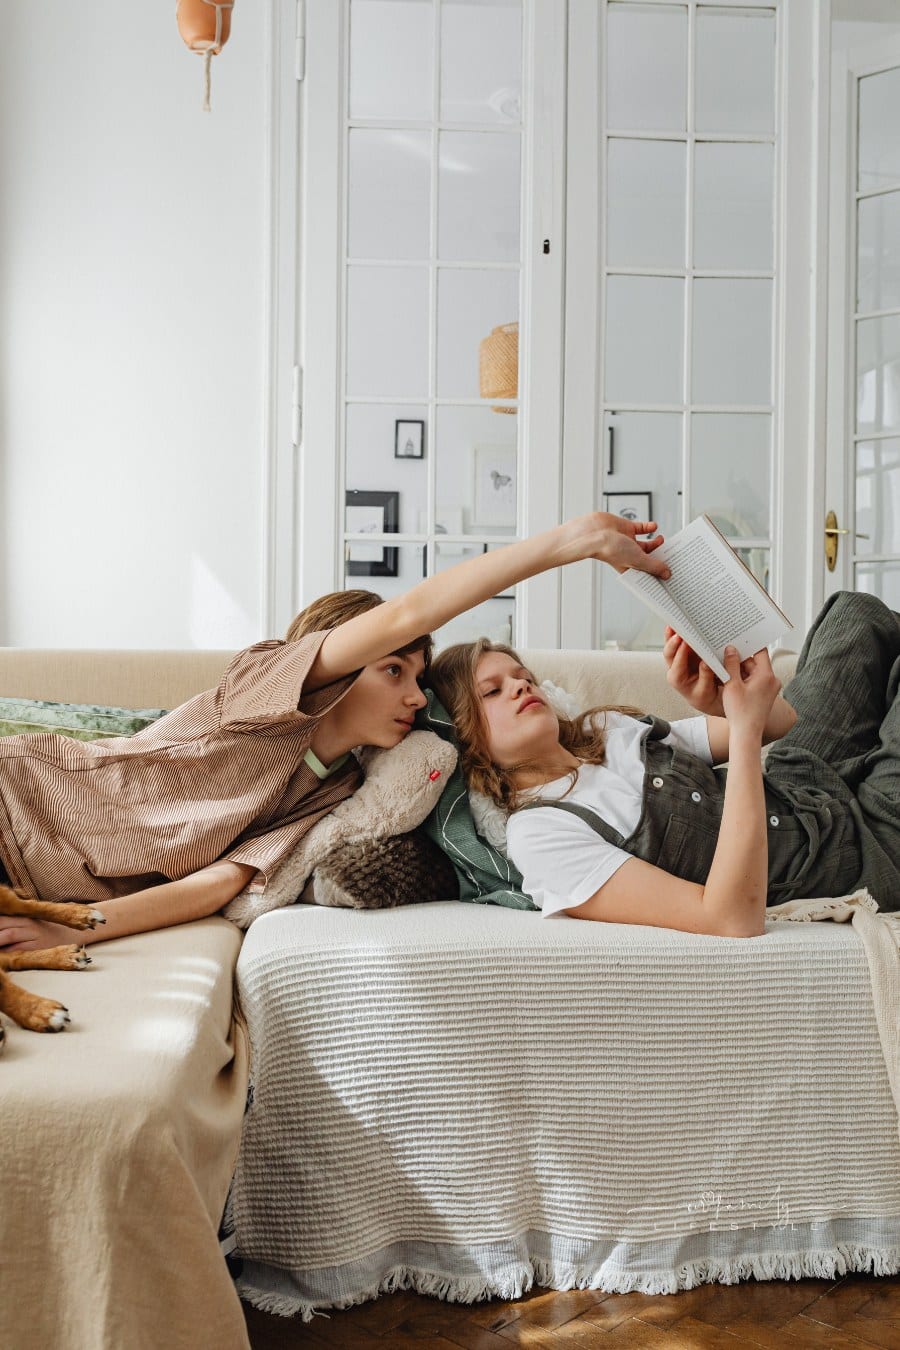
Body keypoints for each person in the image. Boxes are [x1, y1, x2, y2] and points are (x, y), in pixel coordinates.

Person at [0, 512, 670, 953]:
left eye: (420, 676)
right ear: (341, 665)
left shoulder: (339, 792)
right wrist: (569, 543)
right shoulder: (264, 691)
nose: (414, 694)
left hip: (41, 887)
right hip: (16, 807)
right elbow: (409, 608)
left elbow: (216, 884)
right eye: (394, 670)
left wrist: (72, 933)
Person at [427, 590, 900, 938]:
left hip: (801, 779)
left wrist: (720, 700)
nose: (520, 687)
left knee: (854, 613)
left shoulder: (607, 731)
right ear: (465, 736)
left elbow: (782, 722)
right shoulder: (541, 834)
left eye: (523, 676)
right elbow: (729, 918)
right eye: (492, 691)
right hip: (859, 854)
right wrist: (745, 727)